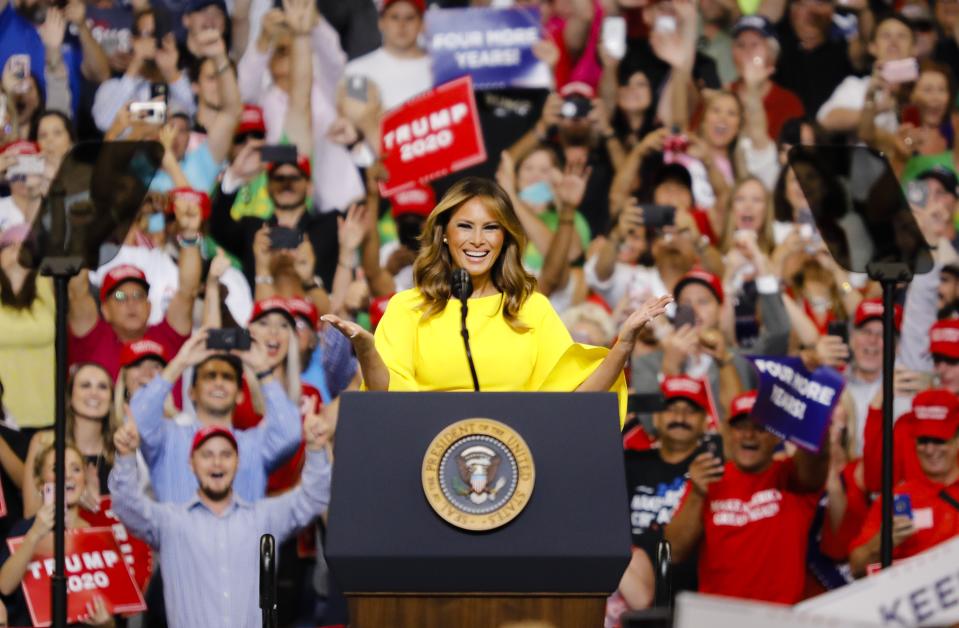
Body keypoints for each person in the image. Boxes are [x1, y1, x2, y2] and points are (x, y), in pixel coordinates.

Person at [321, 177, 672, 422]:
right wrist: (367, 351)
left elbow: (574, 403)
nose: (478, 240)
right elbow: (386, 400)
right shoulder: (407, 307)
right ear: (444, 235)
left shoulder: (531, 308)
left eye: (491, 227)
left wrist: (623, 344)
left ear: (505, 237)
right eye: (465, 226)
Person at [108, 407, 332, 627]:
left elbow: (313, 497)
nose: (217, 463)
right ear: (191, 464)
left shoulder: (262, 518)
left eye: (226, 454)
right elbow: (126, 504)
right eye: (207, 455)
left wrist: (315, 449)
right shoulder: (171, 522)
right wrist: (126, 457)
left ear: (238, 462)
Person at [664, 389, 829, 604]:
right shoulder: (708, 478)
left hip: (779, 617)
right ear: (727, 432)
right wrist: (696, 494)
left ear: (775, 435)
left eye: (759, 427)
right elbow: (673, 552)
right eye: (740, 426)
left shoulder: (791, 475)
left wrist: (813, 394)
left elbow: (817, 454)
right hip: (719, 617)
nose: (748, 435)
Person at [129, 330, 301, 502]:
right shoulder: (167, 438)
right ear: (191, 392)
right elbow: (138, 419)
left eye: (227, 377)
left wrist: (263, 370)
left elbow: (290, 433)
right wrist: (180, 363)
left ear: (240, 394)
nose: (219, 383)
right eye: (210, 376)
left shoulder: (255, 445)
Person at [616, 376, 719, 613]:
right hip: (628, 595)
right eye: (671, 410)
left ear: (705, 421)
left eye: (690, 412)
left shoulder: (713, 468)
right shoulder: (628, 463)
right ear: (656, 418)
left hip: (693, 595)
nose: (680, 418)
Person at [0, 443, 113, 626]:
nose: (67, 475)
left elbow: (114, 609)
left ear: (84, 479)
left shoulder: (98, 535)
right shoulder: (24, 530)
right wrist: (35, 533)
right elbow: (4, 586)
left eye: (76, 469)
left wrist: (107, 623)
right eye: (57, 468)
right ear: (40, 482)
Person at [849, 388, 959, 576]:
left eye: (939, 440)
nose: (930, 450)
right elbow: (856, 566)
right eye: (923, 440)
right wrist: (882, 541)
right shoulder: (898, 498)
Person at [22, 362, 122, 516]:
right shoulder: (44, 442)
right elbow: (30, 514)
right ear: (70, 396)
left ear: (111, 400)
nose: (94, 393)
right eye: (85, 385)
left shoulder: (122, 449)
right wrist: (72, 502)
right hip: (56, 538)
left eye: (102, 387)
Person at [342, 0, 431, 111]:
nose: (401, 25)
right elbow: (355, 116)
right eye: (394, 17)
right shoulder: (356, 71)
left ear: (422, 25)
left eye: (409, 18)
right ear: (381, 22)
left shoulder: (440, 70)